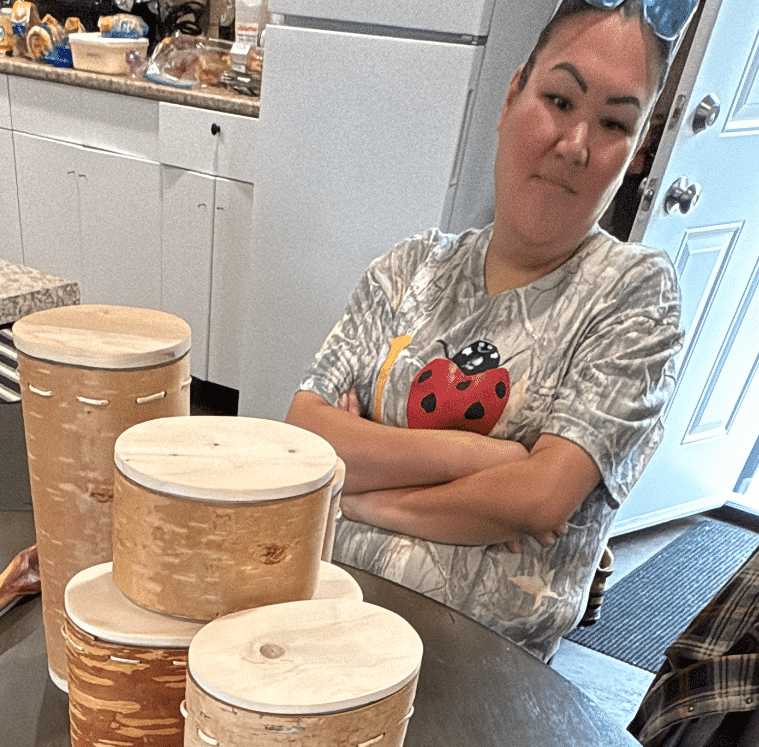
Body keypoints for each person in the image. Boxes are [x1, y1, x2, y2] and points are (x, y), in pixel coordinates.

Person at [286, 0, 694, 663]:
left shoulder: (634, 295)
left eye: (614, 123)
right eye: (559, 100)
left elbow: (540, 499)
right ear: (512, 96)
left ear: (639, 148)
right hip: (317, 622)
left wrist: (359, 497)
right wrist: (485, 461)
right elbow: (304, 436)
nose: (575, 145)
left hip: (478, 672)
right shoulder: (408, 268)